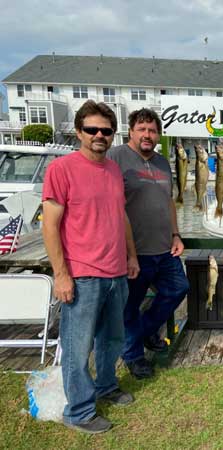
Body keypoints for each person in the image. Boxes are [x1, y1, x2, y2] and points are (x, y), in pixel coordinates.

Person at [42, 100, 140, 434]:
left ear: (113, 134)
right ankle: (79, 411)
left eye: (106, 131)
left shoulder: (113, 169)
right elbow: (49, 225)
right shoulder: (61, 169)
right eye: (92, 129)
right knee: (78, 346)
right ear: (78, 131)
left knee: (112, 338)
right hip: (82, 274)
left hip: (115, 272)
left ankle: (107, 386)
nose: (99, 135)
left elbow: (121, 216)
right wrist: (61, 274)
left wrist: (131, 256)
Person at [107, 108, 189, 379]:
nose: (147, 135)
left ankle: (142, 333)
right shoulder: (115, 157)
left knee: (178, 289)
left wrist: (176, 235)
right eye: (142, 129)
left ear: (158, 134)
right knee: (131, 305)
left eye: (152, 130)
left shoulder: (163, 162)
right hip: (133, 251)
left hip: (164, 248)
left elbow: (168, 201)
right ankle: (133, 356)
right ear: (130, 131)